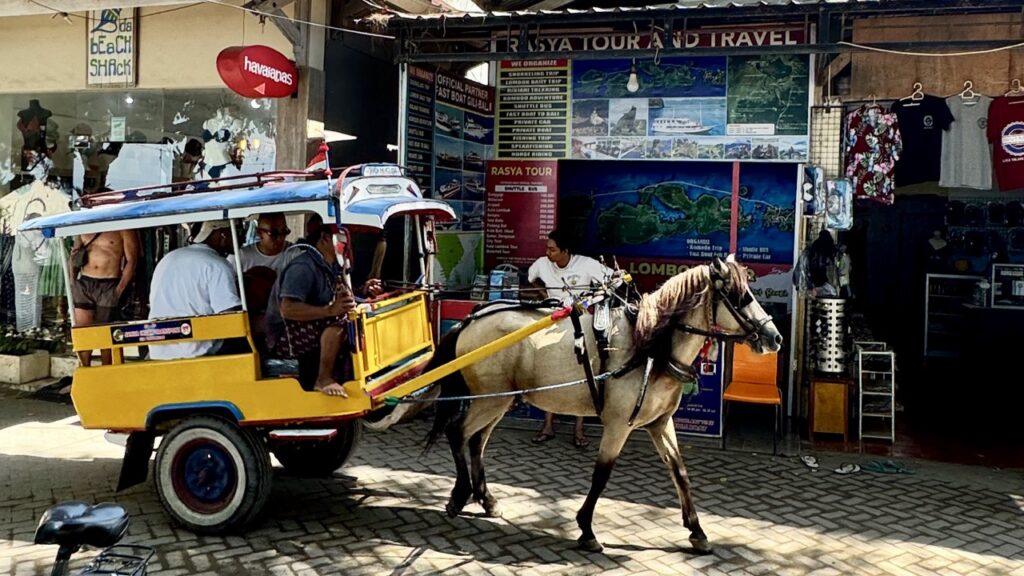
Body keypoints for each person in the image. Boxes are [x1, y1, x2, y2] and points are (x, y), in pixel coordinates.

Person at [264, 222, 383, 397]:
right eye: (343, 240)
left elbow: (340, 295)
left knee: (358, 314)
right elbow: (287, 309)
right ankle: (323, 378)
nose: (348, 245)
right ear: (325, 238)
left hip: (310, 325)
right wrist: (330, 311)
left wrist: (361, 291)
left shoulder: (332, 264)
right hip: (285, 336)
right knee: (340, 320)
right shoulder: (303, 267)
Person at [527, 229, 612, 449]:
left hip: (580, 326)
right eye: (547, 248)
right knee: (550, 374)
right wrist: (545, 295)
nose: (548, 253)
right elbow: (530, 278)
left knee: (581, 374)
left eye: (552, 249)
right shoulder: (542, 264)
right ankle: (547, 427)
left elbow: (613, 280)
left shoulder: (587, 264)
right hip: (552, 324)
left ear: (566, 251)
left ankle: (579, 430)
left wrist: (592, 297)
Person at [148, 221, 242, 360]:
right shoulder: (218, 265)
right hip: (197, 351)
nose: (242, 238)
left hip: (159, 350)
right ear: (223, 235)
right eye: (236, 232)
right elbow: (230, 317)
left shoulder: (169, 258)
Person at [70, 226, 140, 366]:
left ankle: (106, 369)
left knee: (105, 331)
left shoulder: (123, 228)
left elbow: (132, 260)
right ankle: (85, 369)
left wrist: (119, 289)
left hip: (109, 282)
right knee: (83, 330)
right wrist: (72, 281)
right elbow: (74, 254)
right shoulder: (85, 225)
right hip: (85, 281)